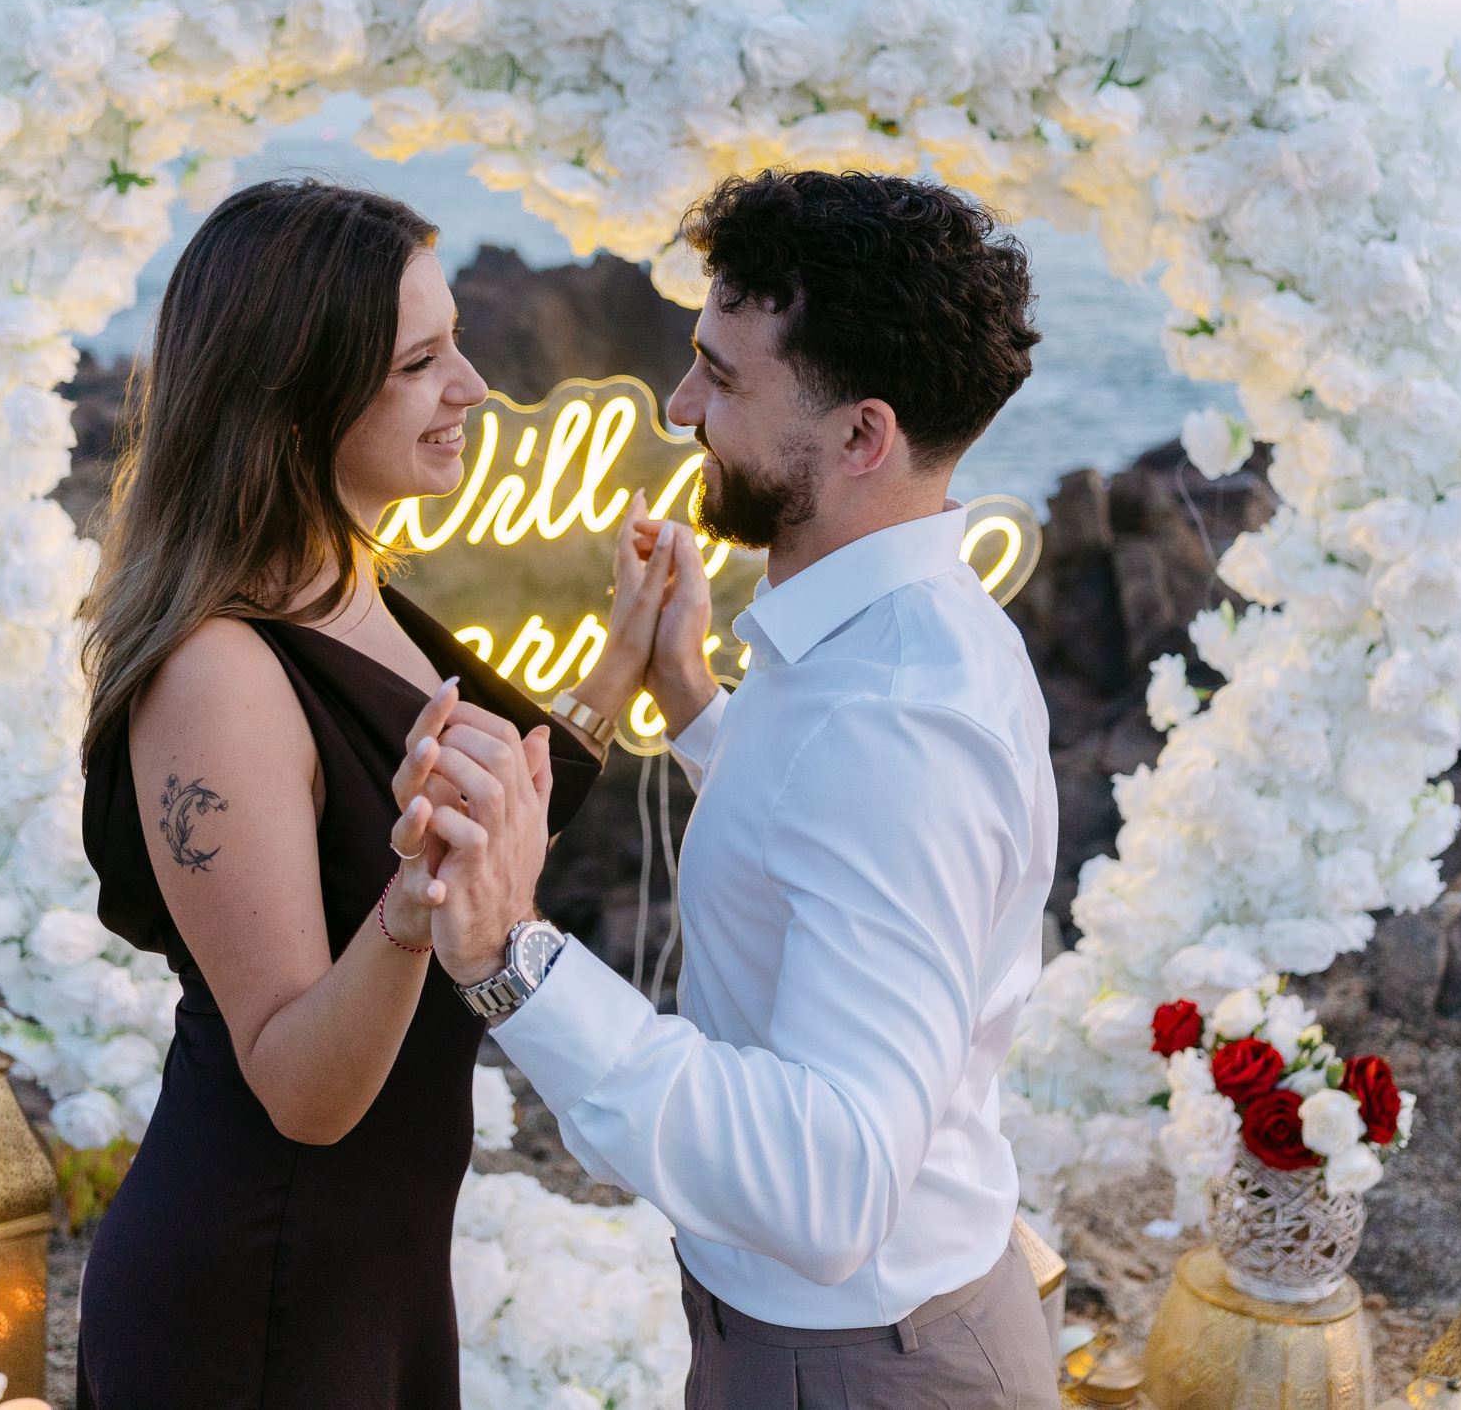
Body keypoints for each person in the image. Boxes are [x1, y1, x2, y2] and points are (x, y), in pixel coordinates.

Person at [423, 170, 1060, 1407]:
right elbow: (832, 848)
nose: (675, 405)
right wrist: (695, 712)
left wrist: (514, 956)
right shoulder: (897, 640)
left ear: (861, 436)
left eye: (721, 376)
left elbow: (829, 1186)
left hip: (861, 1371)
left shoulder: (894, 724)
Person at [71, 179, 684, 1410]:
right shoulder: (219, 677)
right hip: (260, 1290)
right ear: (294, 399)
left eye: (454, 341)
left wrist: (622, 656)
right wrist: (410, 914)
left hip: (378, 1270)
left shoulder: (354, 584)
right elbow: (300, 1087)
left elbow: (488, 824)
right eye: (421, 361)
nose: (473, 387)